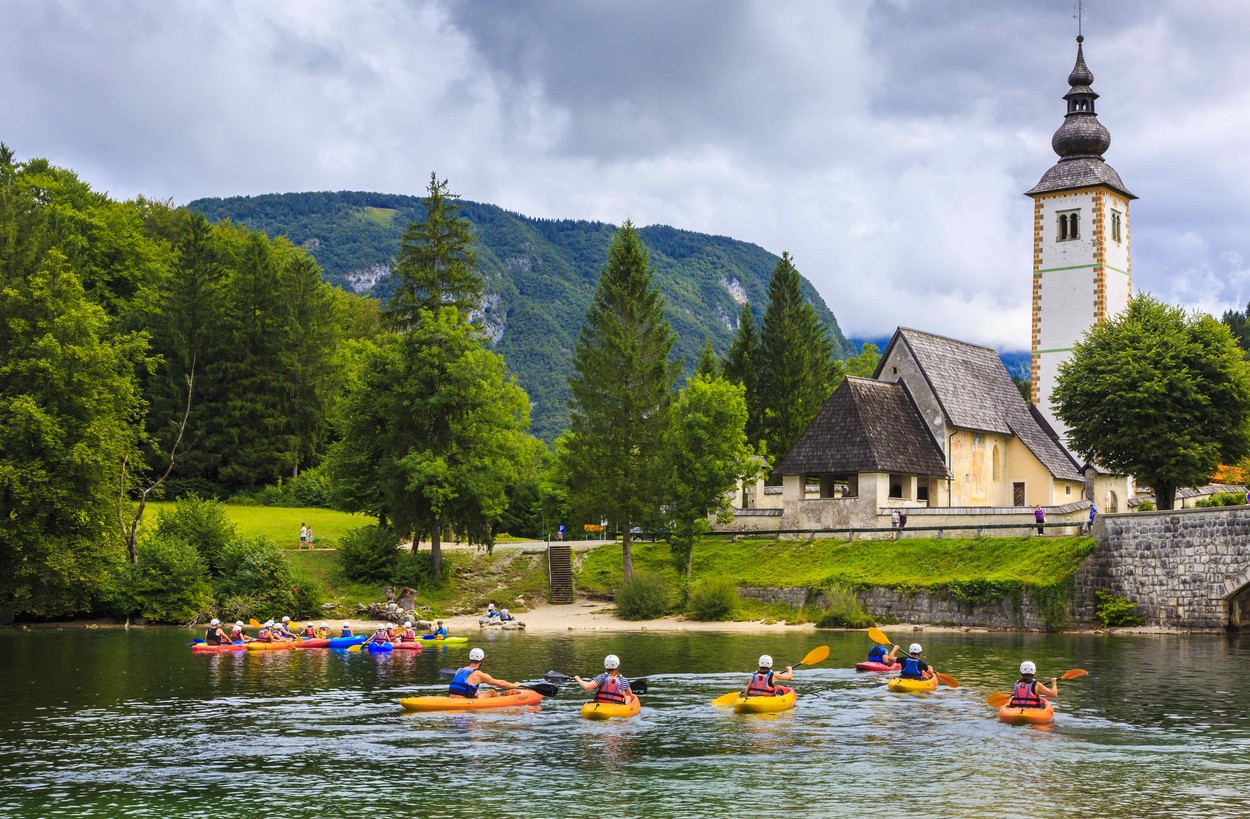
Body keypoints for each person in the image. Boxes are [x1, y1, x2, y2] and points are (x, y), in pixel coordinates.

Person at [448, 648, 523, 698]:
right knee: (492, 692)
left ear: (470, 658)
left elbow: (467, 686)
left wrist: (479, 693)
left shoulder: (459, 670)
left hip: (451, 697)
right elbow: (500, 683)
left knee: (478, 692)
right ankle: (501, 700)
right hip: (465, 700)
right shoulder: (479, 674)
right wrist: (514, 685)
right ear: (481, 660)